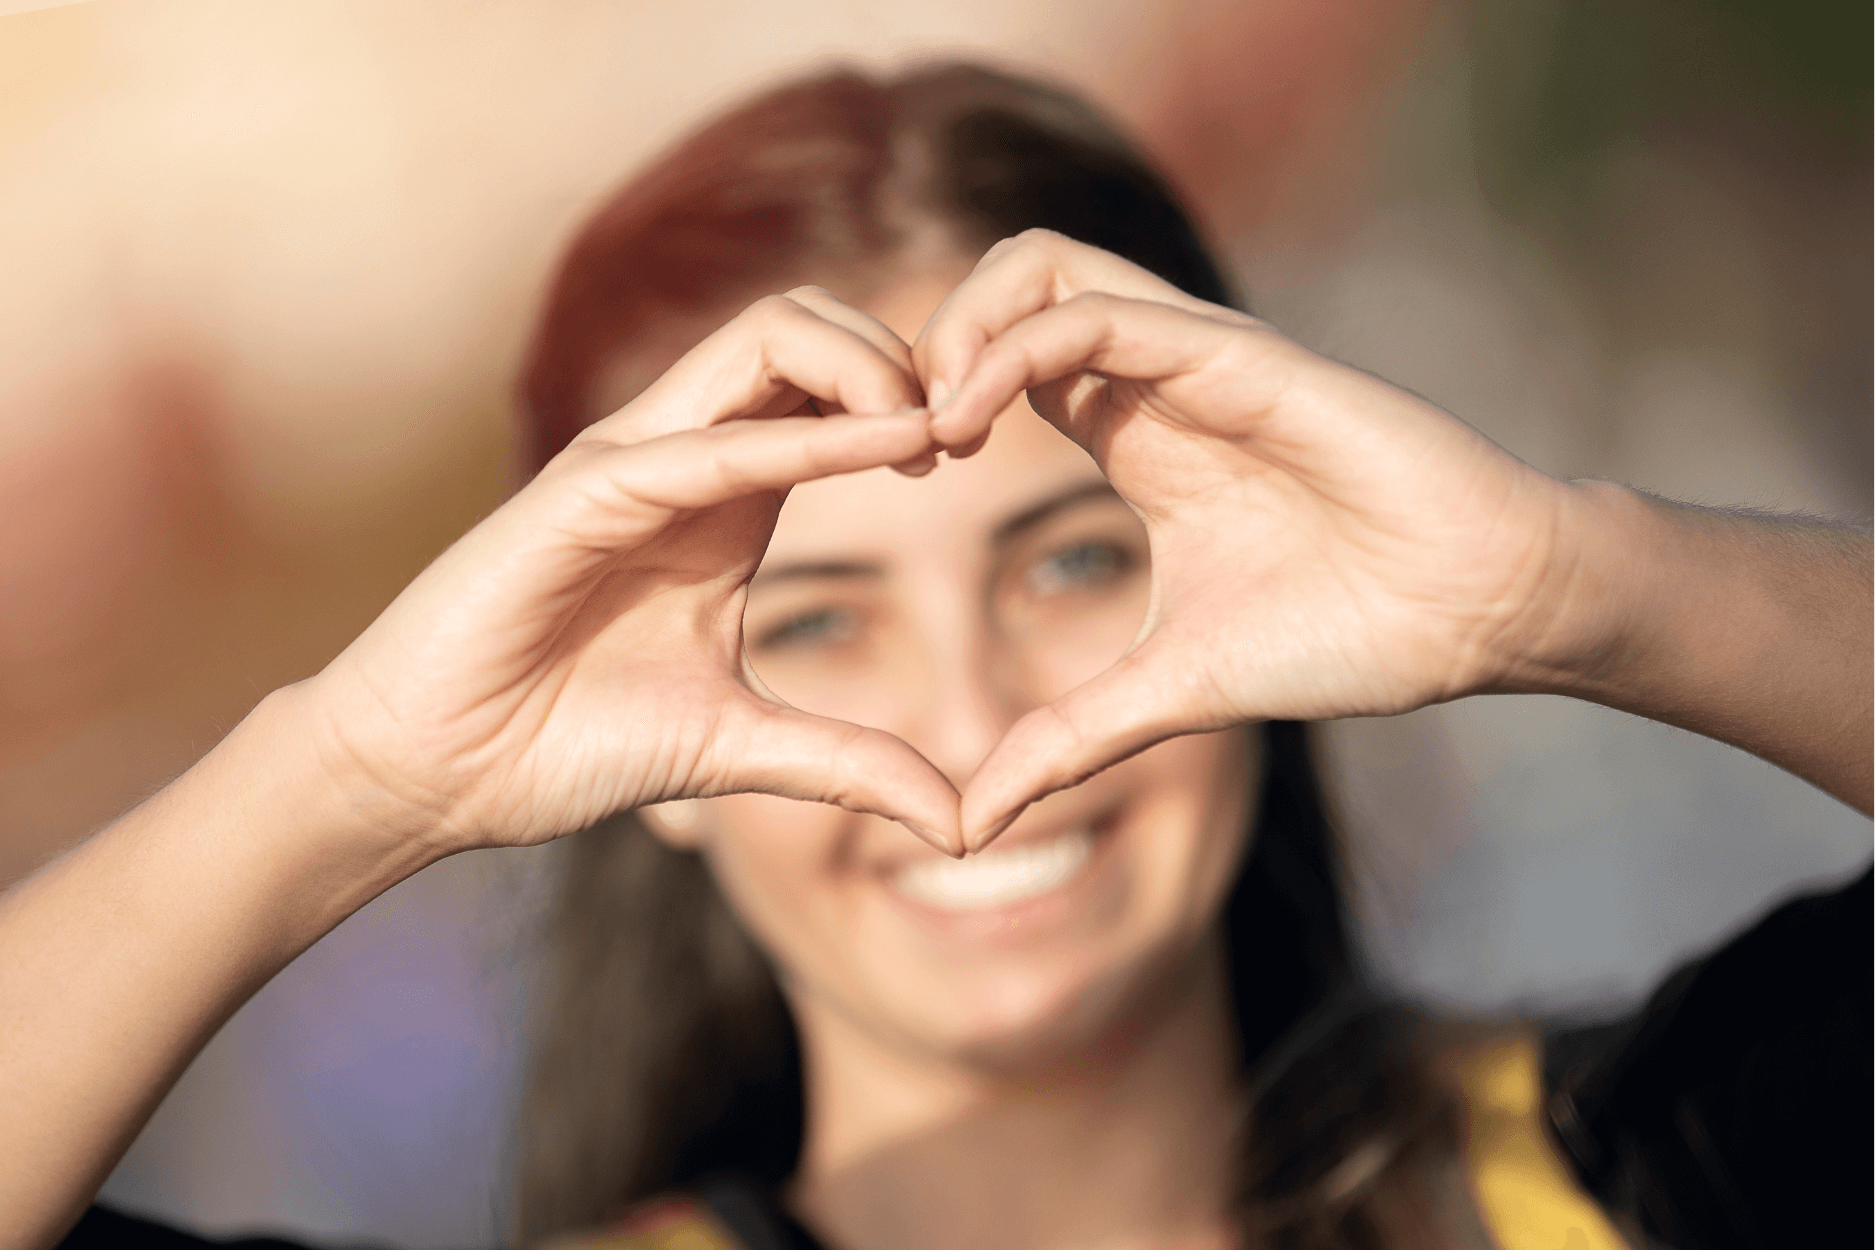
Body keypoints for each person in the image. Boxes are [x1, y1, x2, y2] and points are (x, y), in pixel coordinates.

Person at [10, 65, 1869, 1250]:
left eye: (1070, 560)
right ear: (626, 760)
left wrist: (1566, 578)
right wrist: (348, 774)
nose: (976, 718)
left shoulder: (1662, 1172)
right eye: (809, 617)